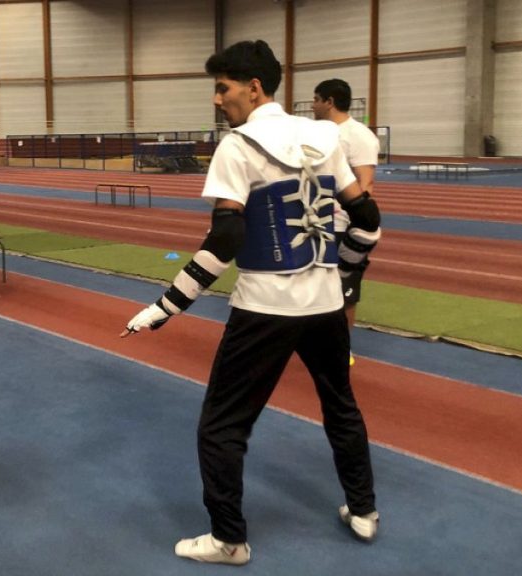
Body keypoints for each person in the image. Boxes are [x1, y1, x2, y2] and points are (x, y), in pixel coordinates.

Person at [123, 40, 381, 565]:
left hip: (264, 309)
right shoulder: (326, 136)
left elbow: (224, 242)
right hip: (326, 305)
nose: (219, 100)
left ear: (253, 87)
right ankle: (364, 510)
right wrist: (345, 276)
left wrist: (166, 307)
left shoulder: (237, 147)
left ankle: (229, 540)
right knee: (341, 406)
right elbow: (369, 222)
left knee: (222, 427)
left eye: (223, 88)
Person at [312, 79, 382, 358]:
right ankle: (317, 341)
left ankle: (341, 349)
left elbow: (365, 185)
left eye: (316, 100)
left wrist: (350, 219)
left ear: (329, 102)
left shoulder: (359, 135)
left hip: (342, 223)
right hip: (315, 222)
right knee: (315, 285)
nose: (313, 105)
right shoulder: (317, 132)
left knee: (345, 288)